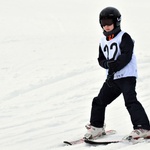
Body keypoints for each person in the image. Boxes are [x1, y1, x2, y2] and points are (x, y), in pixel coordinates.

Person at [84, 7, 150, 140]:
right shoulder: (103, 40)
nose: (106, 26)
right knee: (99, 101)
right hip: (112, 78)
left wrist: (115, 64)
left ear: (117, 21)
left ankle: (143, 128)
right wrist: (106, 64)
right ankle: (97, 127)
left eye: (109, 22)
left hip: (126, 76)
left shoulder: (124, 37)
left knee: (130, 101)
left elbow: (127, 55)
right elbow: (101, 59)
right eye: (103, 23)